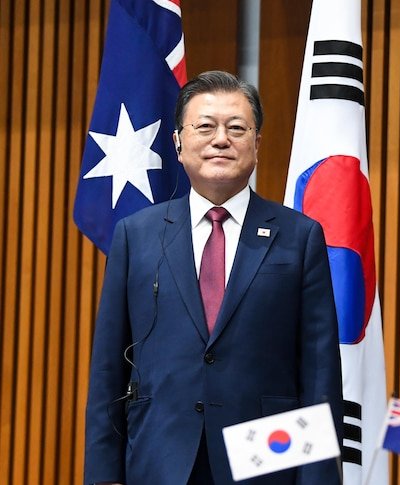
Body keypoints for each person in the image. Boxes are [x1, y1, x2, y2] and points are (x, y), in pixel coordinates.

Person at [84, 70, 343, 485]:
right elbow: (107, 369)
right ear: (178, 142)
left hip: (267, 463)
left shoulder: (300, 236)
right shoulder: (136, 235)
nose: (221, 139)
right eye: (204, 127)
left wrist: (317, 479)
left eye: (236, 128)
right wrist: (102, 475)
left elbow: (320, 372)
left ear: (256, 145)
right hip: (159, 460)